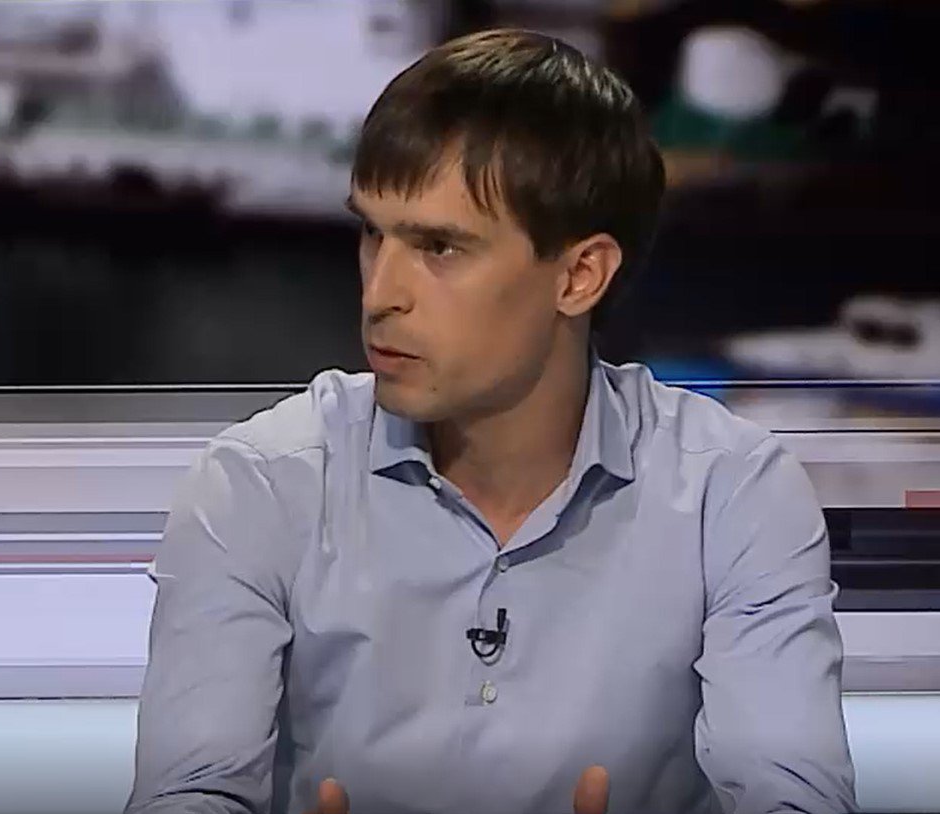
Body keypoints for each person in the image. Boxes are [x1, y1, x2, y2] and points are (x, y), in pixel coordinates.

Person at [126, 27, 856, 814]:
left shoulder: (730, 494)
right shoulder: (260, 486)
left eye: (439, 247)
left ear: (579, 276)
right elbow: (187, 795)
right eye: (372, 233)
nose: (380, 294)